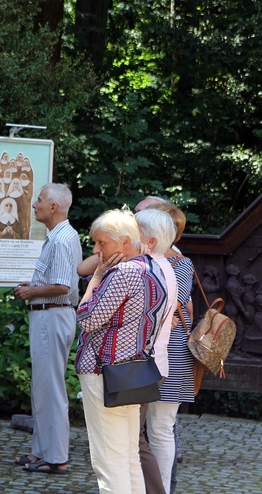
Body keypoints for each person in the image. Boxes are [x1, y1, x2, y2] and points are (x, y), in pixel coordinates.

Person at [75, 208, 168, 493]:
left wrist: (95, 279)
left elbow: (86, 317)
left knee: (110, 461)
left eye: (102, 243)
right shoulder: (154, 270)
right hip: (132, 373)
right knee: (127, 457)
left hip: (105, 372)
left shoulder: (124, 272)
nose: (96, 249)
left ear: (125, 243)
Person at [13, 183, 82, 475]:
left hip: (53, 316)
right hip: (49, 314)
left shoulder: (62, 239)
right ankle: (42, 451)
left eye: (39, 200)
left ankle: (56, 457)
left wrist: (33, 293)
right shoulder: (59, 236)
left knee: (50, 390)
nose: (34, 205)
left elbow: (63, 286)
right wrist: (35, 287)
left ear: (53, 207)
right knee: (42, 388)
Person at [145, 201, 196, 494]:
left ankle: (161, 488)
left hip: (171, 350)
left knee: (161, 427)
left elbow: (175, 304)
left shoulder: (180, 263)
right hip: (152, 349)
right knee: (151, 429)